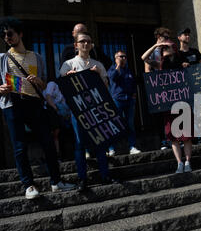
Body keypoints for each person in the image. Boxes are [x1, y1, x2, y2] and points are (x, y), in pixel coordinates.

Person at [0, 17, 75, 199]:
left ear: (20, 34)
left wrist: (39, 82)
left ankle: (56, 182)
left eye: (9, 33)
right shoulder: (2, 58)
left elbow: (43, 83)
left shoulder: (37, 57)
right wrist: (1, 89)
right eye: (3, 35)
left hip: (34, 102)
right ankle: (29, 185)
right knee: (19, 147)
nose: (6, 37)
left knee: (48, 142)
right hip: (13, 103)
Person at [60, 32, 120, 191]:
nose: (85, 44)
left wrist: (99, 76)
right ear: (76, 45)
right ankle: (82, 179)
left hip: (97, 109)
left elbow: (106, 88)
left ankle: (105, 175)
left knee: (101, 143)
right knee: (80, 144)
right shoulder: (68, 64)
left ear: (92, 45)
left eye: (88, 41)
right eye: (82, 41)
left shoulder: (98, 65)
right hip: (78, 111)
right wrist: (68, 77)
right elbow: (62, 87)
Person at [159, 41, 193, 174]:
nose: (166, 51)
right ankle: (179, 162)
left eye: (168, 48)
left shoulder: (182, 61)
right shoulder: (161, 64)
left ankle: (188, 162)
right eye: (163, 49)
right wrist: (157, 47)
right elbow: (144, 59)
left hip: (184, 101)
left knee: (187, 134)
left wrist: (186, 66)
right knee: (173, 135)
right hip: (169, 104)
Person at [107, 50, 141, 156]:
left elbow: (133, 82)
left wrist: (134, 94)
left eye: (125, 57)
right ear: (115, 58)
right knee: (114, 124)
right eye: (121, 57)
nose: (123, 59)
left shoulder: (128, 70)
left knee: (130, 124)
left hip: (129, 100)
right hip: (117, 100)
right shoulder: (112, 69)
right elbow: (112, 77)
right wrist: (118, 66)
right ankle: (111, 148)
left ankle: (132, 146)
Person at [43, 79, 72, 160]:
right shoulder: (52, 84)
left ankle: (61, 155)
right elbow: (48, 97)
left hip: (60, 113)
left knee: (60, 133)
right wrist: (55, 109)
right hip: (52, 110)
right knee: (55, 133)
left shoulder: (64, 92)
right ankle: (55, 156)